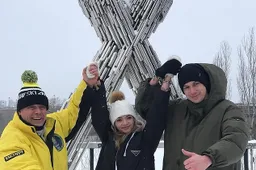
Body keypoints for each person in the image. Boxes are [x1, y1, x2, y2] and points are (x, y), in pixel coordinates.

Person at [135, 57, 250, 170]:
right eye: (186, 87)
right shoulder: (176, 109)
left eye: (196, 84)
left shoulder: (228, 110)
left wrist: (209, 158)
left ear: (207, 83)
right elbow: (148, 110)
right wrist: (156, 79)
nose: (192, 91)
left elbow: (236, 140)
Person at [0, 64, 99, 170]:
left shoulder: (54, 124)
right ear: (20, 111)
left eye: (42, 107)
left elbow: (75, 110)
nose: (38, 111)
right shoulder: (12, 138)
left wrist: (86, 84)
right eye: (31, 107)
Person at [88, 73, 172, 170]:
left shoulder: (145, 139)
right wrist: (98, 88)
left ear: (134, 118)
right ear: (113, 123)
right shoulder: (109, 138)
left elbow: (157, 118)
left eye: (128, 117)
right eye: (119, 120)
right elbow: (99, 116)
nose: (125, 123)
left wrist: (164, 88)